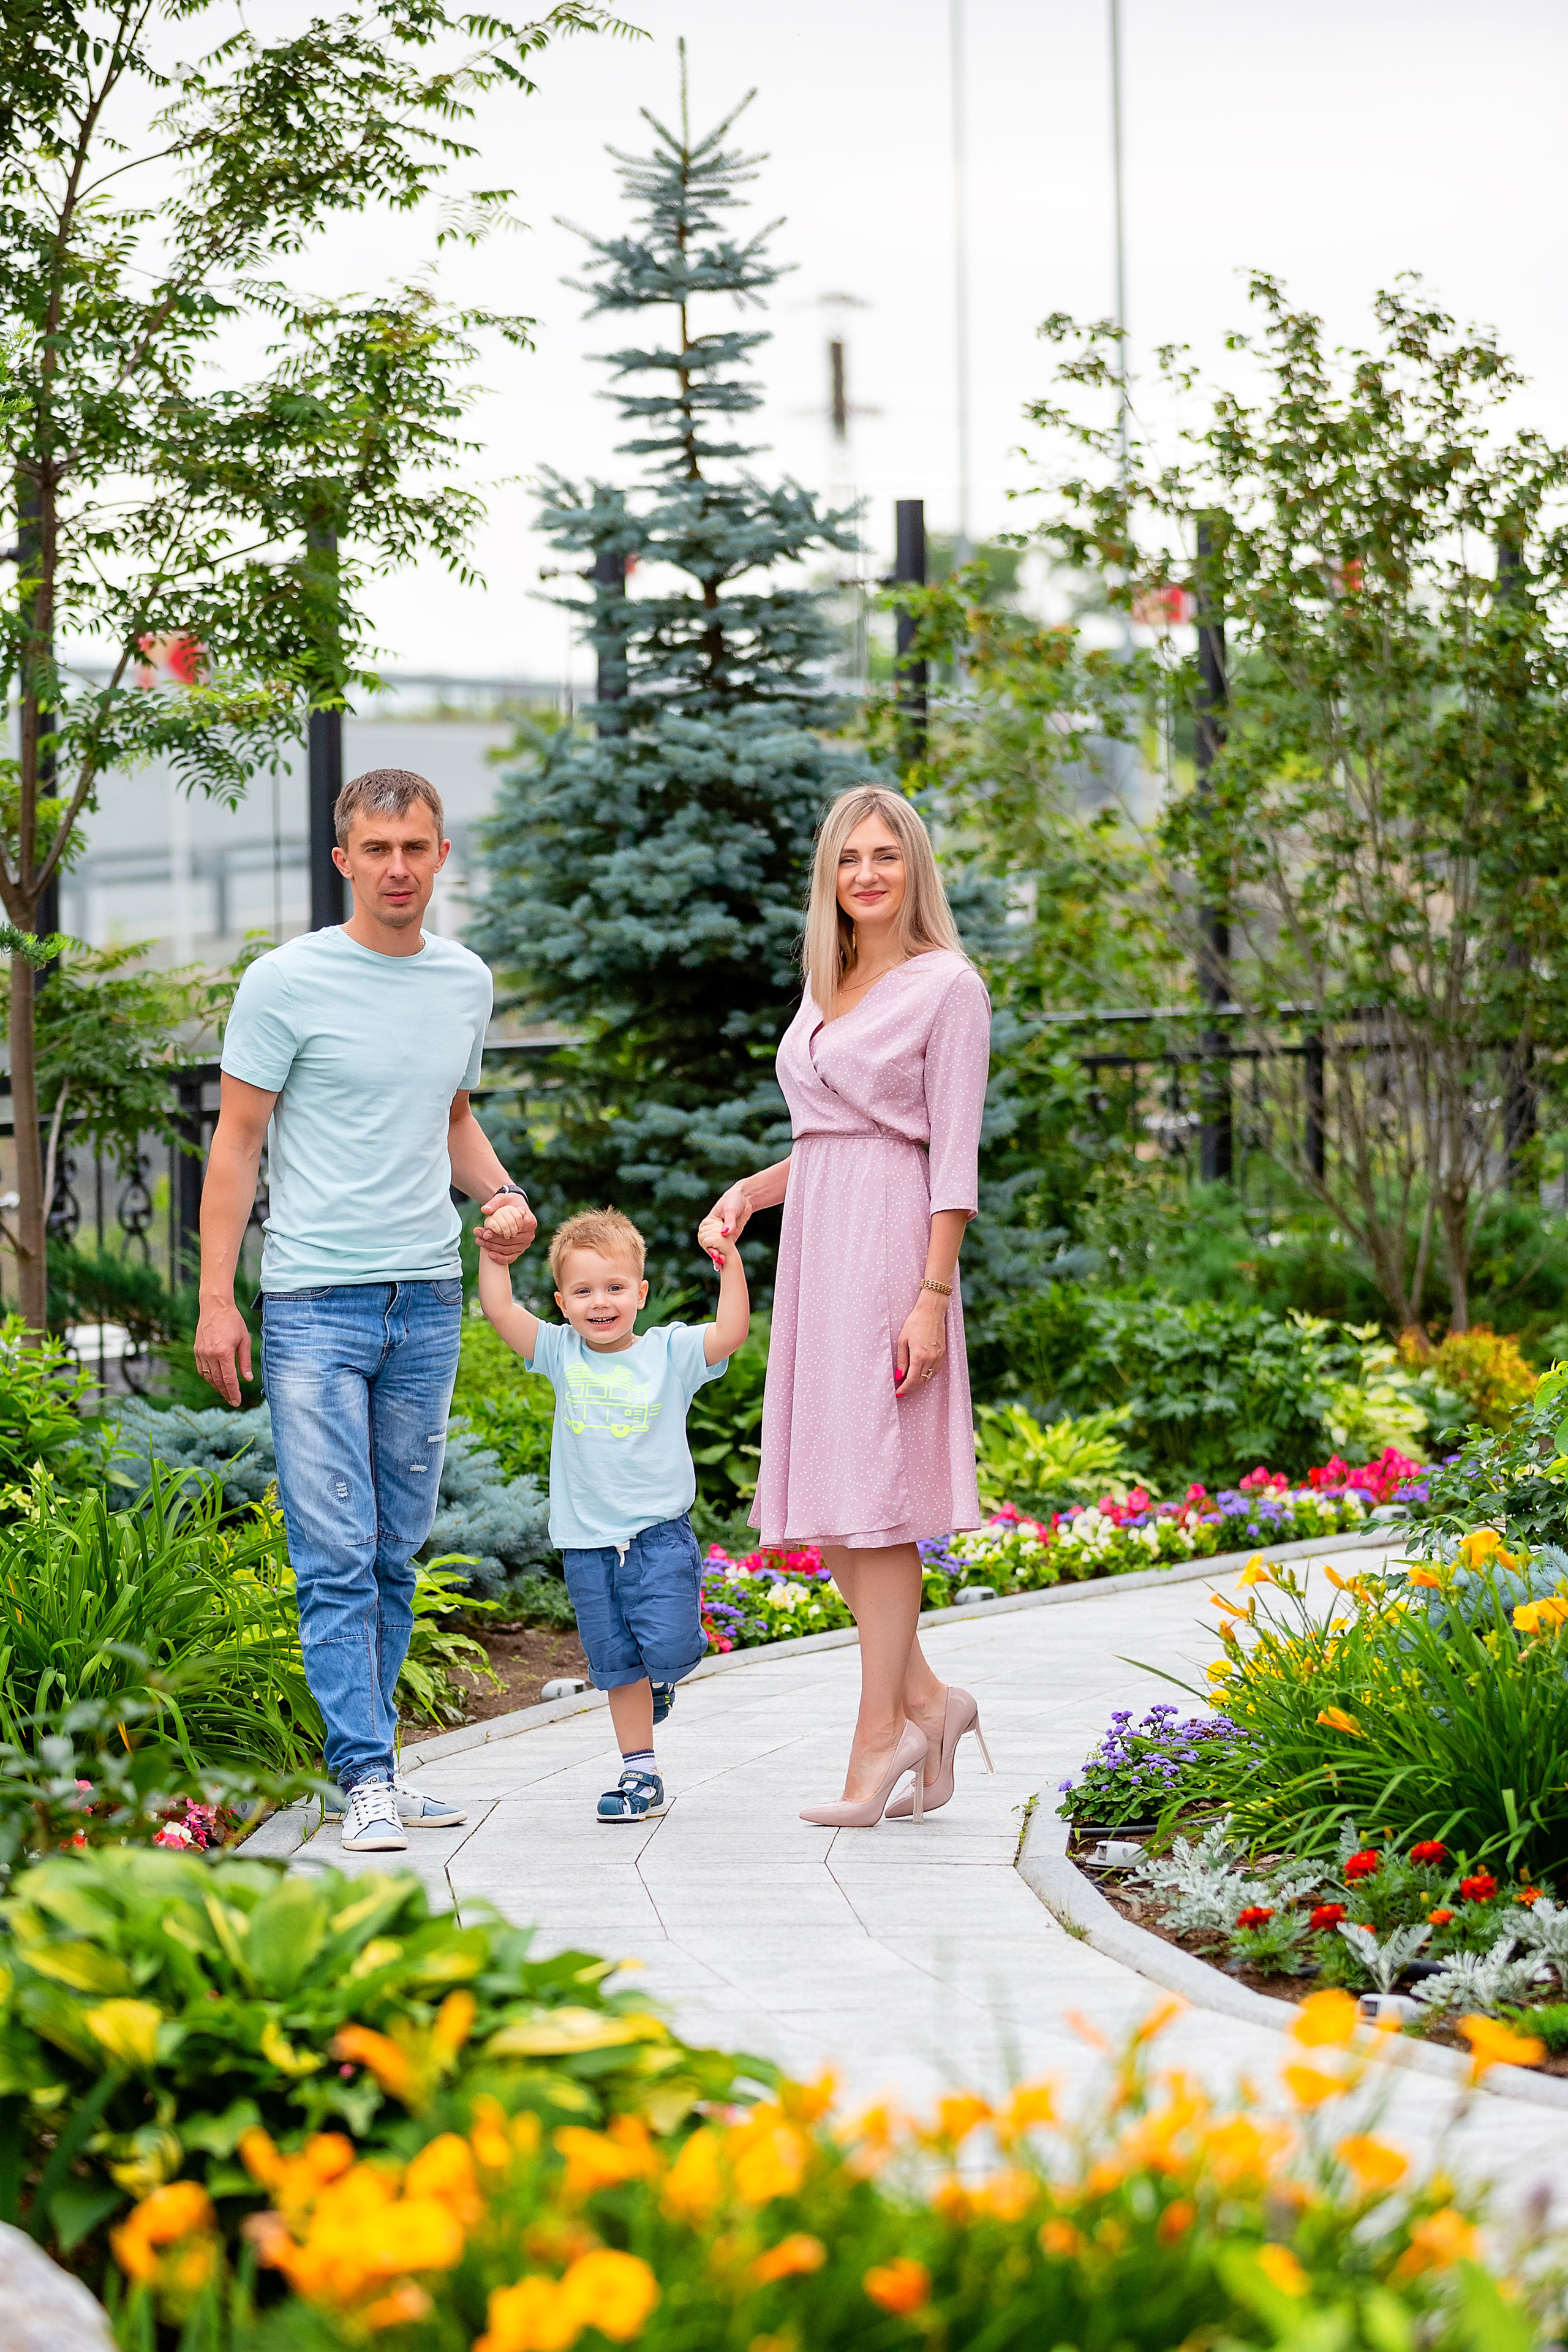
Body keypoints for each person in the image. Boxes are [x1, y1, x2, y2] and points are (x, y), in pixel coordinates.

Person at [194, 767, 536, 1855]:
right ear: (343, 860)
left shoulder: (464, 981)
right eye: (377, 849)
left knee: (395, 1551)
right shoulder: (286, 982)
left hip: (430, 1300)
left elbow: (450, 1113)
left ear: (441, 858)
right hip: (312, 1304)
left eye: (417, 848)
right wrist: (216, 1300)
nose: (398, 867)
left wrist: (502, 1194)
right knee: (336, 1550)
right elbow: (237, 1143)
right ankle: (365, 1776)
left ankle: (373, 1765)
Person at [706, 784, 995, 1828]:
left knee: (874, 1502)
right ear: (829, 876)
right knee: (833, 1507)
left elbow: (949, 1157)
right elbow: (830, 1129)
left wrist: (931, 1294)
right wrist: (752, 1189)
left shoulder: (948, 986)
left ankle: (882, 1735)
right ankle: (932, 1704)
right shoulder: (827, 979)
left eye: (885, 856)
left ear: (914, 867)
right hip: (819, 1243)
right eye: (847, 858)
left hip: (890, 1251)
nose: (866, 874)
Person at [477, 1202, 748, 1822]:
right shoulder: (560, 1353)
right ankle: (640, 1774)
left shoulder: (669, 1353)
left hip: (659, 1538)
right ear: (562, 1302)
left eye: (615, 1288)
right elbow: (499, 1310)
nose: (600, 1302)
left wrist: (727, 1262)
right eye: (583, 1291)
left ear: (641, 1293)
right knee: (616, 1665)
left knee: (670, 1648)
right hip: (588, 1545)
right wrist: (495, 1260)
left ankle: (663, 1678)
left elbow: (730, 1331)